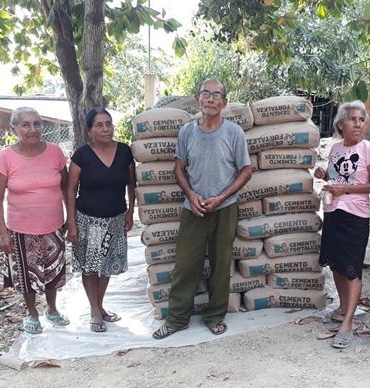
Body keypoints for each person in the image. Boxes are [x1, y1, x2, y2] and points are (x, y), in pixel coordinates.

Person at [152, 78, 252, 339]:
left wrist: (220, 197)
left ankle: (215, 315)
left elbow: (246, 171)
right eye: (206, 94)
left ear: (224, 102)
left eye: (217, 95)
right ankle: (176, 319)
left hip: (225, 208)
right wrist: (191, 195)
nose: (211, 99)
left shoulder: (233, 133)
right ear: (197, 100)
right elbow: (179, 168)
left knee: (221, 265)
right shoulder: (187, 132)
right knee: (185, 265)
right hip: (193, 208)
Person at [0, 107, 69, 334]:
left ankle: (52, 309)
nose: (33, 129)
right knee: (28, 275)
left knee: (53, 271)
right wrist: (2, 234)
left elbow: (65, 188)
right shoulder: (4, 157)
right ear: (13, 128)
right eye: (25, 125)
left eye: (37, 123)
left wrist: (69, 219)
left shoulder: (55, 152)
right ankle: (32, 313)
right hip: (20, 229)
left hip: (53, 226)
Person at [314, 100, 370, 349]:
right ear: (340, 124)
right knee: (336, 263)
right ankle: (343, 308)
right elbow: (336, 178)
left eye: (361, 119)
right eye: (352, 119)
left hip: (356, 215)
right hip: (333, 211)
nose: (358, 123)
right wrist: (325, 175)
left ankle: (348, 323)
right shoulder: (335, 149)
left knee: (352, 268)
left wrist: (347, 189)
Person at [66, 108, 136, 333]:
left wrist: (130, 211)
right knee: (91, 266)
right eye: (99, 125)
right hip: (89, 220)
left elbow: (131, 185)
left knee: (107, 266)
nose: (106, 128)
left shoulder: (125, 151)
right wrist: (71, 223)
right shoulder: (82, 155)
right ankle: (95, 311)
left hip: (115, 218)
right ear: (89, 132)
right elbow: (70, 189)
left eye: (108, 123)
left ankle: (99, 305)